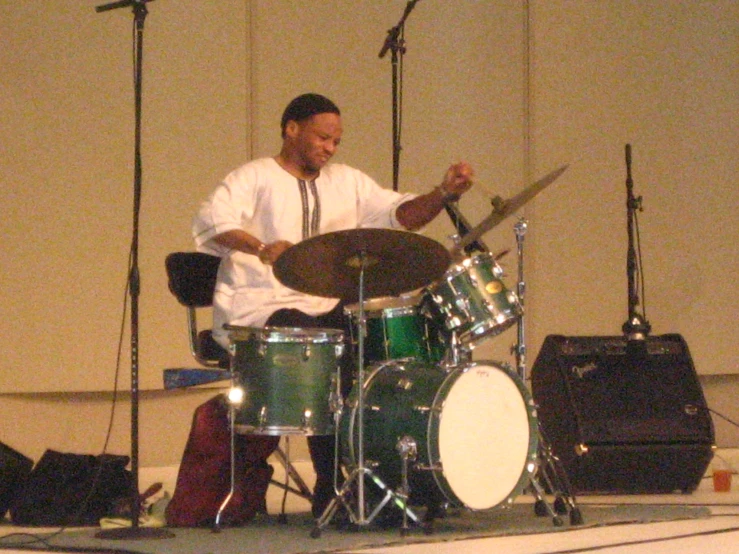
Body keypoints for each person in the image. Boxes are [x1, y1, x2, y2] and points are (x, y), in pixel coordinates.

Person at [190, 92, 474, 521]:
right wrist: (264, 248)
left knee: (373, 351)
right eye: (323, 138)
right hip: (262, 311)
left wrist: (443, 193)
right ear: (291, 129)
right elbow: (213, 222)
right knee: (321, 349)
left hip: (323, 306)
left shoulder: (347, 182)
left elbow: (402, 215)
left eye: (336, 141)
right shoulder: (253, 176)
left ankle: (388, 476)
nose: (330, 148)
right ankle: (330, 484)